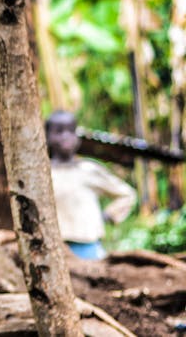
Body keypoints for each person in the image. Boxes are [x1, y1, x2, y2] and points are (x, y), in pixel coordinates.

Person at [46, 110, 136, 260]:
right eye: (59, 131)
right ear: (47, 137)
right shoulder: (42, 173)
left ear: (77, 137)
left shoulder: (89, 169)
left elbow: (127, 194)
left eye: (70, 130)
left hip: (88, 247)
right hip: (54, 248)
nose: (65, 136)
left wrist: (108, 215)